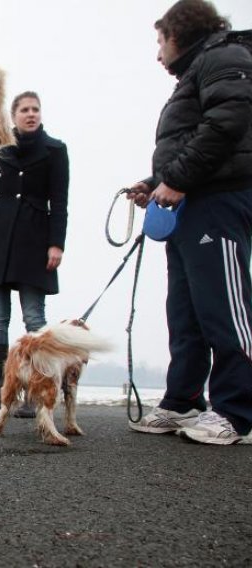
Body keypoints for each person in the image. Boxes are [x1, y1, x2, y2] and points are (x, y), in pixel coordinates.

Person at [127, 0, 252, 444]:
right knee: (185, 312)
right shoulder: (200, 69)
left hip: (219, 201)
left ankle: (238, 413)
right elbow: (192, 139)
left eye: (161, 41)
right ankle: (183, 402)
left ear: (180, 32)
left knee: (224, 306)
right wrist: (155, 182)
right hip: (189, 202)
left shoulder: (225, 56)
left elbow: (227, 122)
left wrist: (176, 179)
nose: (158, 53)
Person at [0, 91, 69, 418]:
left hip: (35, 242)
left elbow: (60, 203)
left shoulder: (55, 151)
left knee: (34, 319)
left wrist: (57, 244)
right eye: (24, 109)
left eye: (36, 109)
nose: (31, 114)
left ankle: (36, 392)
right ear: (14, 116)